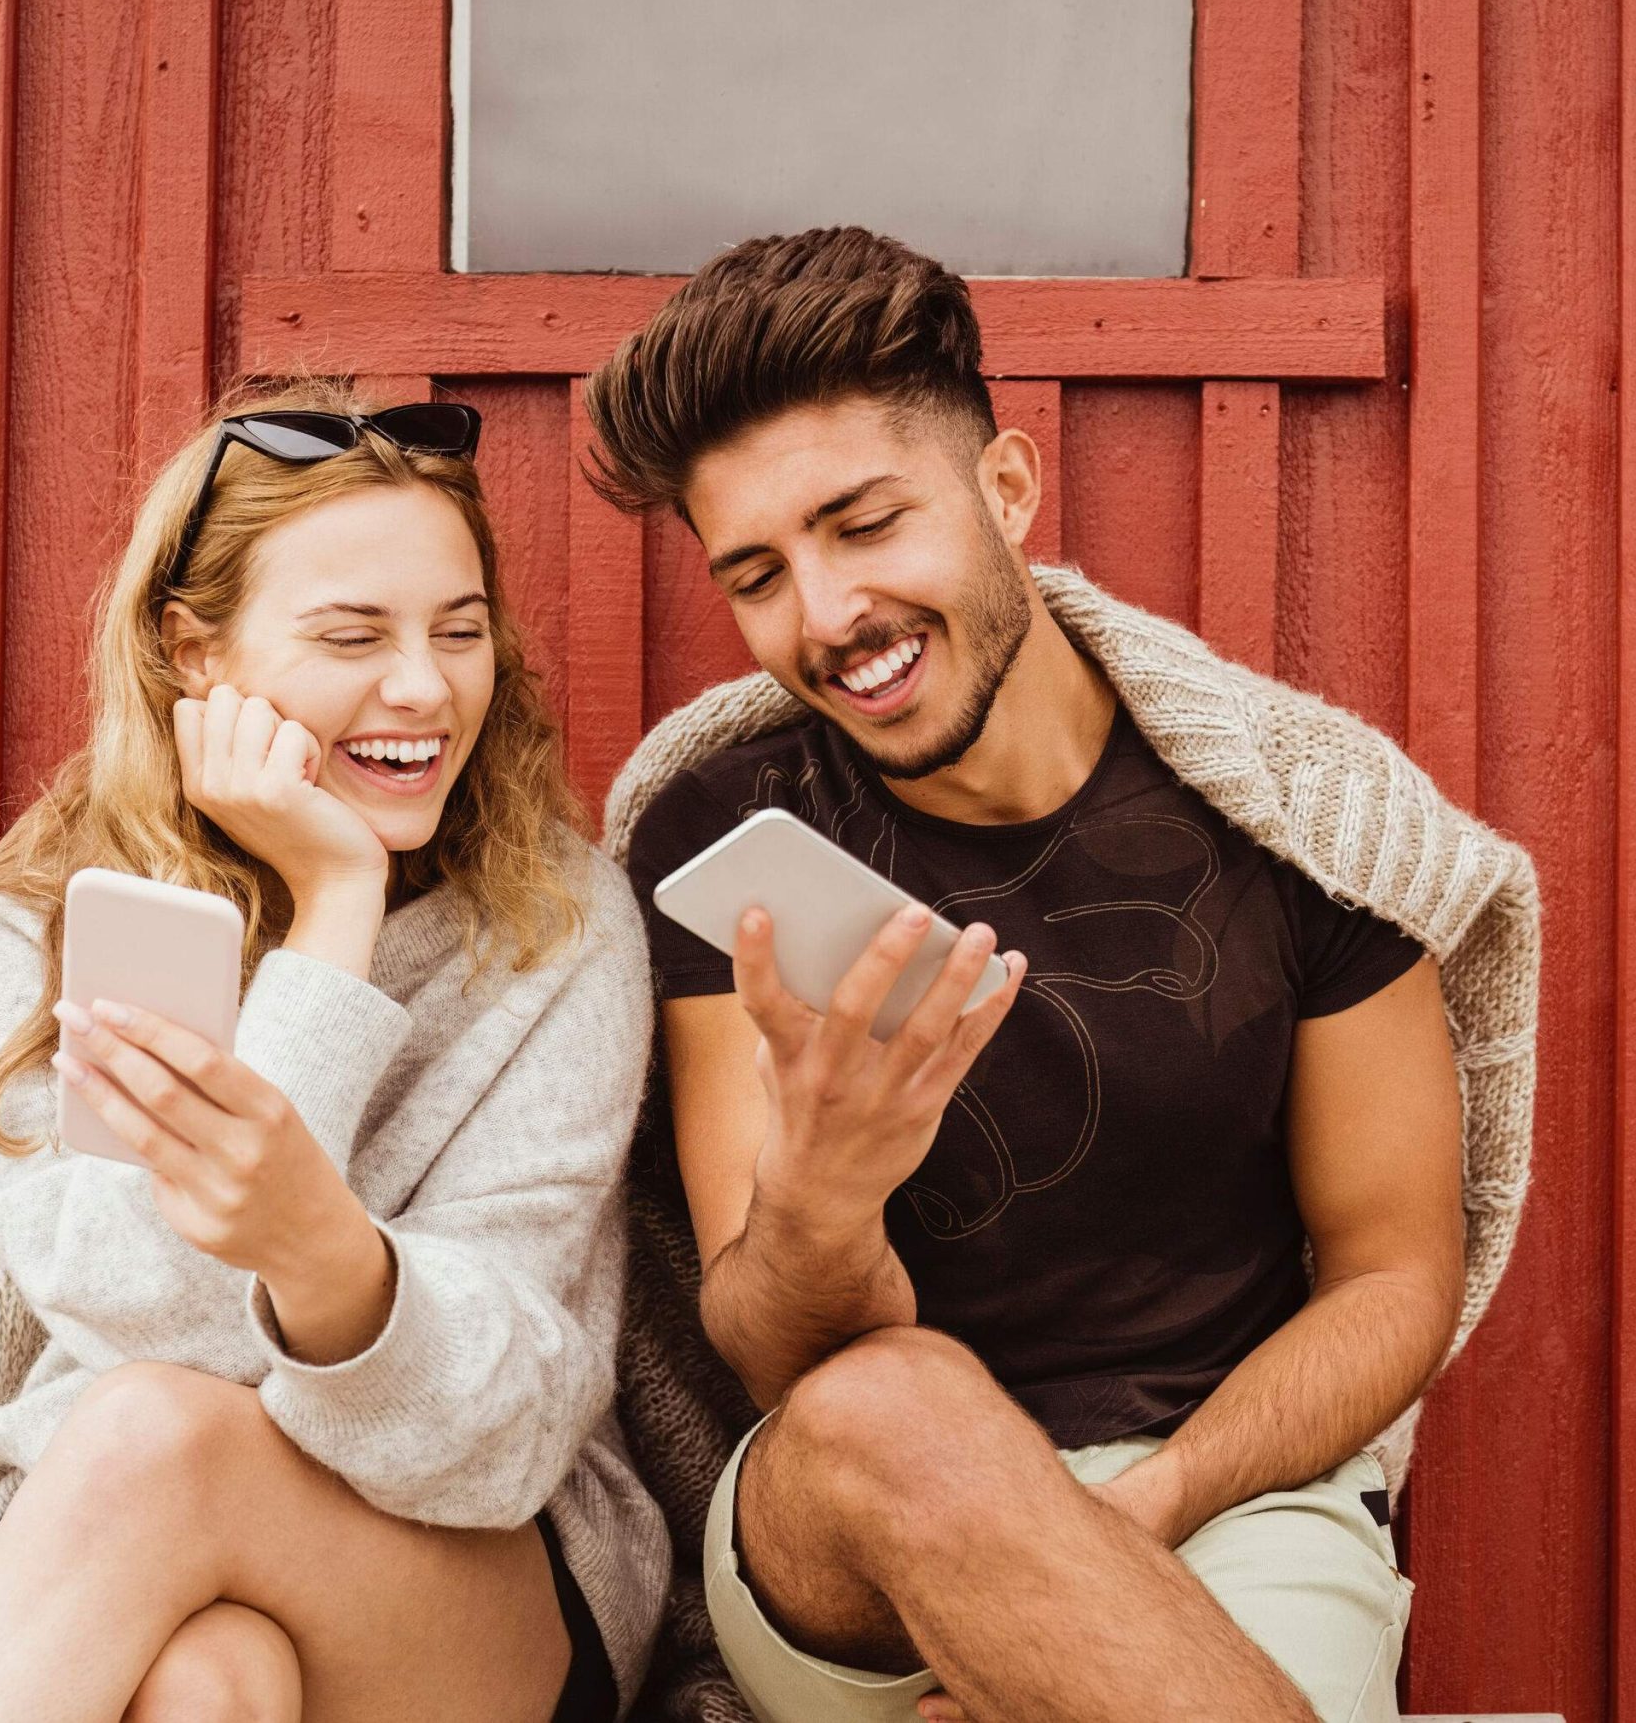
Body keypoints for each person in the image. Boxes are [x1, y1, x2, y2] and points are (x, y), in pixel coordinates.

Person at [589, 228, 1541, 1723]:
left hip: (1233, 1500)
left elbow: (1393, 1272)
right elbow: (776, 1352)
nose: (827, 615)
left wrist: (1153, 1506)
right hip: (848, 1544)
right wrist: (829, 1190)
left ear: (1008, 488)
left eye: (864, 523)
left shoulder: (1309, 826)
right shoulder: (737, 840)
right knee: (894, 1400)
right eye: (759, 573)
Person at [0, 383, 664, 1723]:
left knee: (155, 1432)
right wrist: (333, 920)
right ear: (193, 653)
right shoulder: (12, 944)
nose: (424, 686)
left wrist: (325, 1247)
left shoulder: (554, 925)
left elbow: (498, 1443)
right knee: (212, 1680)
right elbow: (160, 1314)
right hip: (97, 1542)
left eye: (461, 629)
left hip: (473, 1577)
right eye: (351, 633)